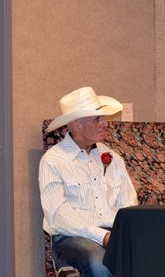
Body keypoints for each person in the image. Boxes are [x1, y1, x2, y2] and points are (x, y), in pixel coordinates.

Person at [39, 87, 138, 277]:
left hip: (112, 234)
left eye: (102, 118)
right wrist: (103, 236)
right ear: (77, 124)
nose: (105, 124)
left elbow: (128, 204)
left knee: (153, 253)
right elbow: (58, 215)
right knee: (99, 263)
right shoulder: (53, 161)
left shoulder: (113, 158)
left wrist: (122, 235)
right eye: (97, 119)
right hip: (71, 237)